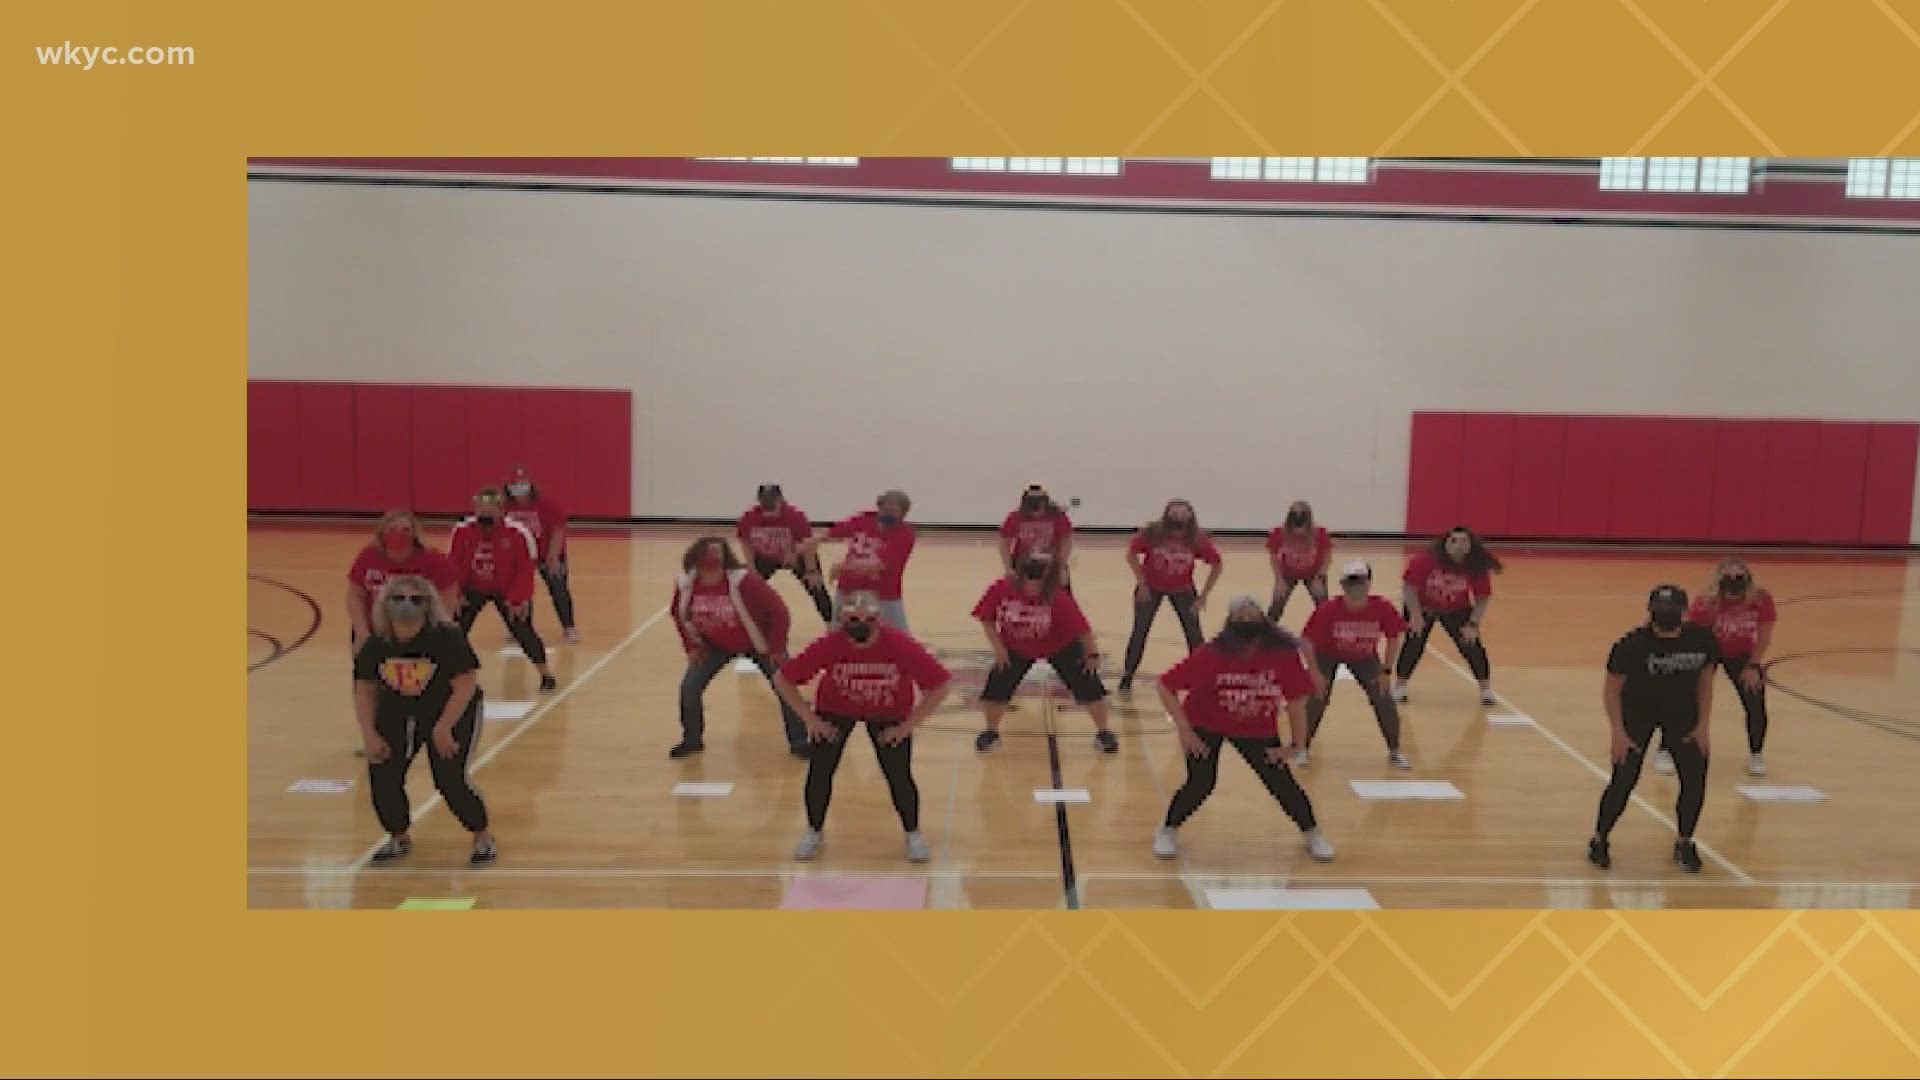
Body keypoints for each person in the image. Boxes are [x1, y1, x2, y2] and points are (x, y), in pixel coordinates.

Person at [773, 591, 954, 863]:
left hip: (888, 712)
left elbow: (941, 685)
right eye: (852, 620)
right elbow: (783, 679)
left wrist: (907, 726)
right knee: (820, 772)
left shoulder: (898, 644)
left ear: (878, 619)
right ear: (843, 621)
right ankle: (814, 831)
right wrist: (810, 720)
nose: (860, 626)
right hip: (836, 708)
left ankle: (913, 834)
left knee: (899, 776)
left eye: (867, 620)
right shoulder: (831, 644)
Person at [1152, 596, 1335, 862]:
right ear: (1230, 623)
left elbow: (1296, 702)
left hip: (1256, 728)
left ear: (1263, 621)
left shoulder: (1282, 654)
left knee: (1281, 783)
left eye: (1252, 614)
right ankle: (1167, 829)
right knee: (1200, 783)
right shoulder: (1212, 654)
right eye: (1241, 616)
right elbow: (1165, 685)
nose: (1247, 620)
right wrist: (1185, 730)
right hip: (1206, 723)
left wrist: (1296, 745)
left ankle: (1313, 833)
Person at [352, 575, 497, 867]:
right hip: (398, 710)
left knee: (449, 778)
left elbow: (465, 682)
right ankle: (398, 835)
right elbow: (365, 688)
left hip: (450, 708)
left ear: (428, 605)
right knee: (383, 774)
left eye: (415, 600)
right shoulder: (376, 643)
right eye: (399, 598)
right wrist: (368, 733)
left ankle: (481, 834)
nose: (406, 605)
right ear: (385, 603)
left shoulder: (447, 637)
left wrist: (443, 727)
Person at [1589, 585, 1720, 874]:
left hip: (1683, 716)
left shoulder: (1702, 641)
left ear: (1684, 613)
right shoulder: (1631, 645)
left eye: (1672, 611)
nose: (1667, 616)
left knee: (1694, 780)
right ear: (1650, 612)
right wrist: (1617, 732)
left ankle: (1685, 842)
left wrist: (1703, 726)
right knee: (1624, 779)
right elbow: (1612, 690)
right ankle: (1600, 838)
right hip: (1637, 714)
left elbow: (1705, 683)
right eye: (1661, 611)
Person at [669, 536, 807, 760]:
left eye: (717, 559)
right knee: (689, 688)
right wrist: (692, 647)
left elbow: (779, 612)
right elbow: (679, 615)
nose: (712, 568)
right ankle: (691, 739)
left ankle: (799, 741)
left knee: (785, 686)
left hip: (759, 643)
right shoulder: (686, 584)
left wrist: (776, 648)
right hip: (715, 645)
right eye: (707, 561)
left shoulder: (745, 581)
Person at [971, 551, 1118, 753]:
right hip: (1015, 646)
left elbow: (1083, 630)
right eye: (1029, 580)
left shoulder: (1058, 598)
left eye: (1038, 582)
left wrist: (1092, 655)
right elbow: (986, 618)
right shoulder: (1000, 588)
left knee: (1088, 684)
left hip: (1061, 645)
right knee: (996, 686)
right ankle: (991, 732)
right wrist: (998, 649)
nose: (1032, 588)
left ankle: (1104, 733)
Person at [1653, 558, 1776, 778]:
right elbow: (1692, 637)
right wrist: (1693, 667)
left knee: (1755, 699)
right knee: (1684, 697)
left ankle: (1756, 754)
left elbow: (1764, 635)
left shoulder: (1761, 601)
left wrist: (1753, 665)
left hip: (1741, 654)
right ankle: (1665, 750)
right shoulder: (1705, 604)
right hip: (1706, 649)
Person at [1298, 561, 1410, 769]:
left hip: (1364, 657)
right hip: (1326, 655)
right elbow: (1307, 642)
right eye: (1351, 583)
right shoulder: (1328, 610)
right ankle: (1301, 747)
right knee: (1317, 697)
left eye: (1360, 582)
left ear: (1369, 584)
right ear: (1343, 585)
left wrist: (1386, 670)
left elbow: (1393, 636)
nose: (1355, 588)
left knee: (1384, 699)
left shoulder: (1382, 607)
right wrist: (1314, 673)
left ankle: (1394, 751)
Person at [448, 488, 557, 692]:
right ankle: (452, 673)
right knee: (453, 631)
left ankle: (546, 674)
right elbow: (453, 564)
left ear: (501, 510)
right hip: (473, 587)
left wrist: (518, 599)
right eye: (481, 513)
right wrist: (456, 595)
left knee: (523, 630)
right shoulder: (462, 530)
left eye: (490, 514)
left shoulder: (518, 532)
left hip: (507, 588)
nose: (485, 520)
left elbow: (525, 568)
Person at [1118, 499, 1223, 693]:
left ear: (1190, 517)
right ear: (1166, 515)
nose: (1178, 518)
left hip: (1183, 589)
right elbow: (1131, 553)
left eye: (1183, 514)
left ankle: (1202, 676)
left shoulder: (1196, 538)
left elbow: (1217, 564)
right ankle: (1127, 675)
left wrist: (1203, 595)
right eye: (1175, 514)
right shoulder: (1153, 532)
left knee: (1194, 634)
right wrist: (1141, 583)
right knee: (1140, 631)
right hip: (1151, 586)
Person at [1395, 526, 1501, 706]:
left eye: (1464, 541)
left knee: (1471, 645)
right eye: (1454, 541)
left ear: (1470, 545)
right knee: (1414, 641)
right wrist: (1415, 615)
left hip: (1456, 608)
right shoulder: (1426, 559)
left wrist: (1473, 623)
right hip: (1423, 606)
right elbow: (1409, 588)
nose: (1459, 545)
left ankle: (1485, 689)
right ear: (1445, 543)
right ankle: (1399, 687)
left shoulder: (1475, 564)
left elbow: (1482, 597)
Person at [800, 490, 916, 631]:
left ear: (903, 514)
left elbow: (879, 565)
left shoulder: (905, 535)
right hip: (849, 588)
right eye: (886, 509)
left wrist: (843, 567)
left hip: (883, 593)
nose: (888, 514)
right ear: (879, 507)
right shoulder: (864, 520)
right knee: (838, 632)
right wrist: (813, 544)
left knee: (900, 637)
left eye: (894, 511)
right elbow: (832, 532)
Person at [346, 511, 460, 650]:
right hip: (375, 631)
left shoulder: (433, 559)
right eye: (392, 529)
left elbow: (449, 596)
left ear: (415, 534)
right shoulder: (368, 556)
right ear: (382, 533)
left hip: (420, 633)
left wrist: (437, 632)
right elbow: (355, 596)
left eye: (406, 530)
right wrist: (361, 631)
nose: (399, 534)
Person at [502, 465, 578, 644]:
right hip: (521, 556)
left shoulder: (545, 504)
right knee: (518, 591)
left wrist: (552, 557)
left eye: (522, 485)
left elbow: (558, 529)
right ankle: (518, 628)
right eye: (514, 486)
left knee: (558, 587)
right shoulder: (505, 507)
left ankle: (569, 627)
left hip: (547, 553)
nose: (518, 490)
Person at [736, 483, 834, 622]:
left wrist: (811, 570)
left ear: (780, 500)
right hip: (765, 557)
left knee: (816, 587)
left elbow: (808, 545)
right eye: (765, 505)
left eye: (772, 505)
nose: (768, 509)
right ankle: (745, 622)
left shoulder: (795, 516)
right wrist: (752, 569)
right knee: (746, 587)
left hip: (796, 556)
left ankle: (831, 622)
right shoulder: (749, 517)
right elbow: (746, 543)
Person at [1266, 500, 1331, 622]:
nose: (1299, 533)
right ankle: (1265, 633)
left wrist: (1319, 577)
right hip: (1287, 573)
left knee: (1322, 603)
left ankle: (1327, 630)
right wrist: (1279, 580)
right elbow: (1274, 556)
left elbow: (1327, 557)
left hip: (1313, 573)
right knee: (1277, 603)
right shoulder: (1278, 532)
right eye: (1295, 529)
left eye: (1302, 529)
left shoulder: (1320, 533)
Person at [999, 484, 1074, 588]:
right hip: (1023, 561)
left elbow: (1066, 541)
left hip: (1050, 560)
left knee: (1062, 582)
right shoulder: (1015, 517)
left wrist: (1061, 566)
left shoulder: (1057, 516)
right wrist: (1008, 568)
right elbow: (1004, 543)